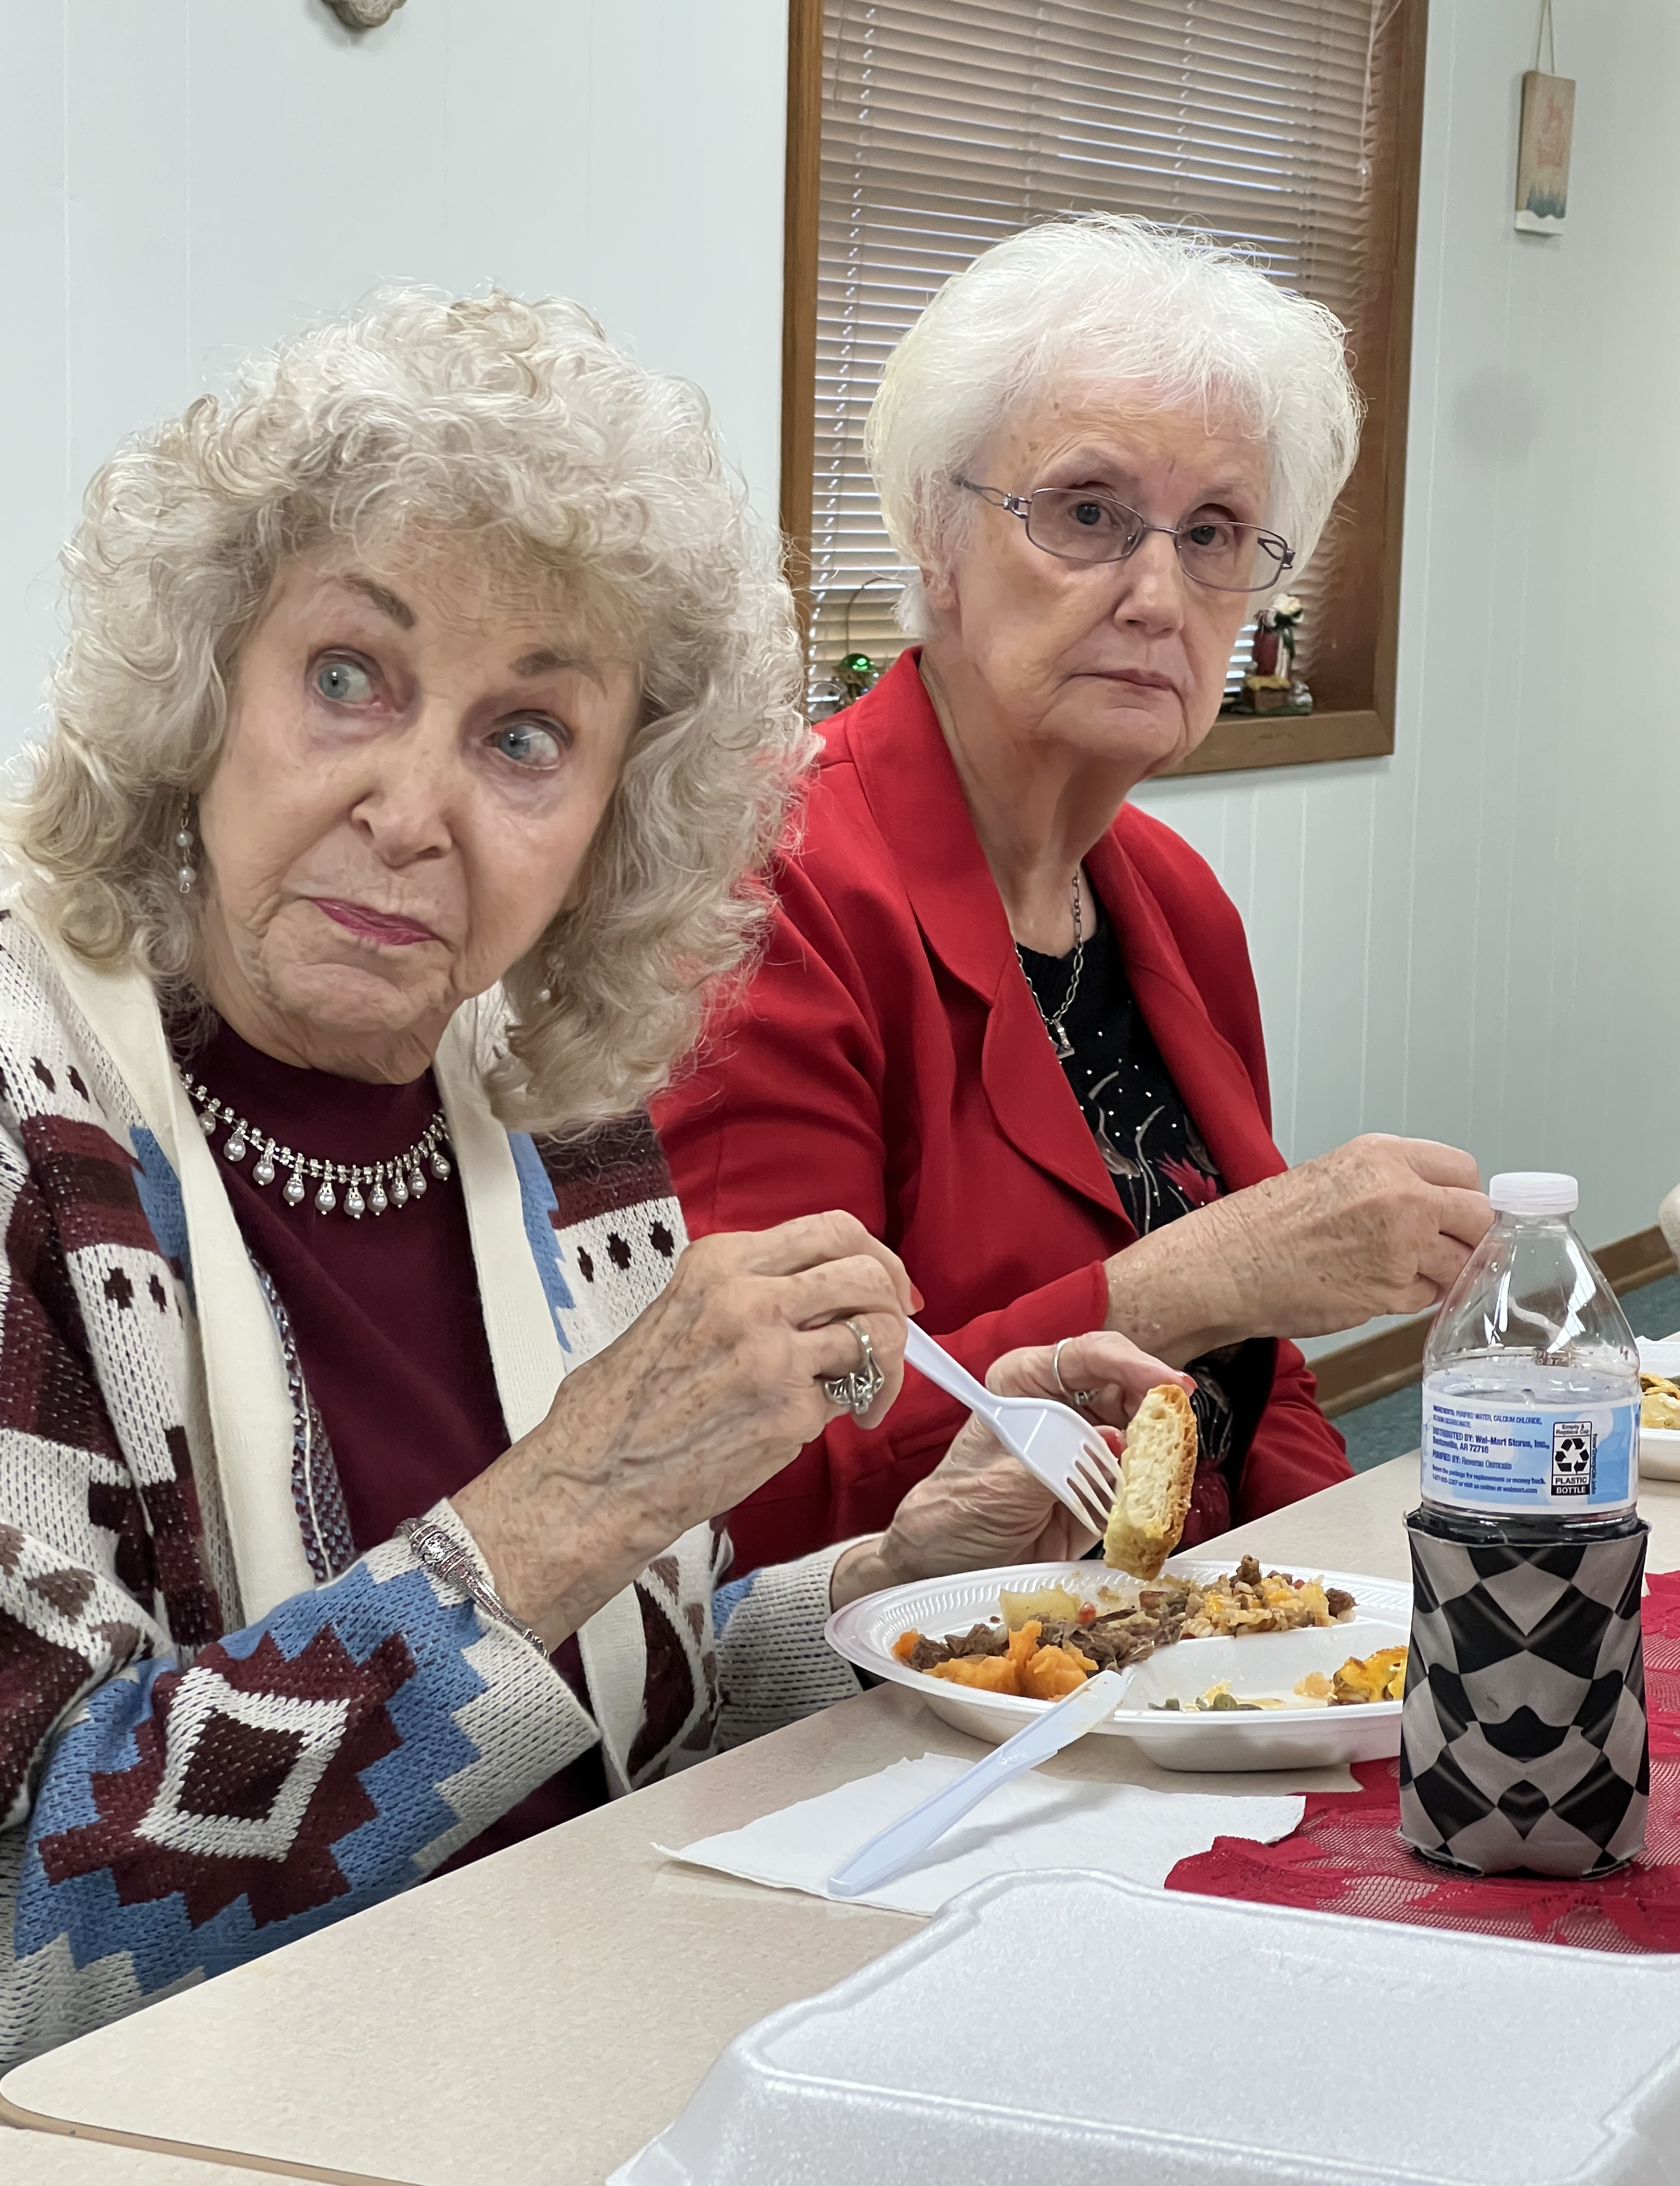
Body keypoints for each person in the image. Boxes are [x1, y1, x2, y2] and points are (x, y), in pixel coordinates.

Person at [0, 290, 1184, 2067]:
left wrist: (893, 1580)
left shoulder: (552, 1125)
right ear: (203, 688)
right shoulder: (34, 1147)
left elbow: (614, 1707)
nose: (412, 810)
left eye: (524, 738)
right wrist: (568, 1505)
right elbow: (26, 1937)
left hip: (556, 2040)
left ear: (619, 820)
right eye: (347, 678)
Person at [657, 217, 1494, 1572]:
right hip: (919, 1665)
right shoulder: (768, 890)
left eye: (1215, 531)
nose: (1159, 594)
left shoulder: (1175, 900)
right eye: (1089, 512)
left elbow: (1259, 1372)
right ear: (935, 535)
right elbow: (750, 1479)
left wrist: (1345, 1596)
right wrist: (1199, 1276)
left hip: (1185, 1637)